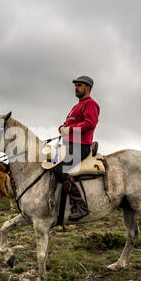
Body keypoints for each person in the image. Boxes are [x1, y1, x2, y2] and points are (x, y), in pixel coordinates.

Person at [53, 75, 100, 221]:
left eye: (79, 85)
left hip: (81, 145)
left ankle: (80, 206)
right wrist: (62, 128)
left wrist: (71, 129)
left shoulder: (91, 104)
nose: (76, 88)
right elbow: (66, 124)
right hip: (69, 144)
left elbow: (90, 123)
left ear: (88, 88)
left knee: (59, 169)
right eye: (76, 85)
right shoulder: (76, 106)